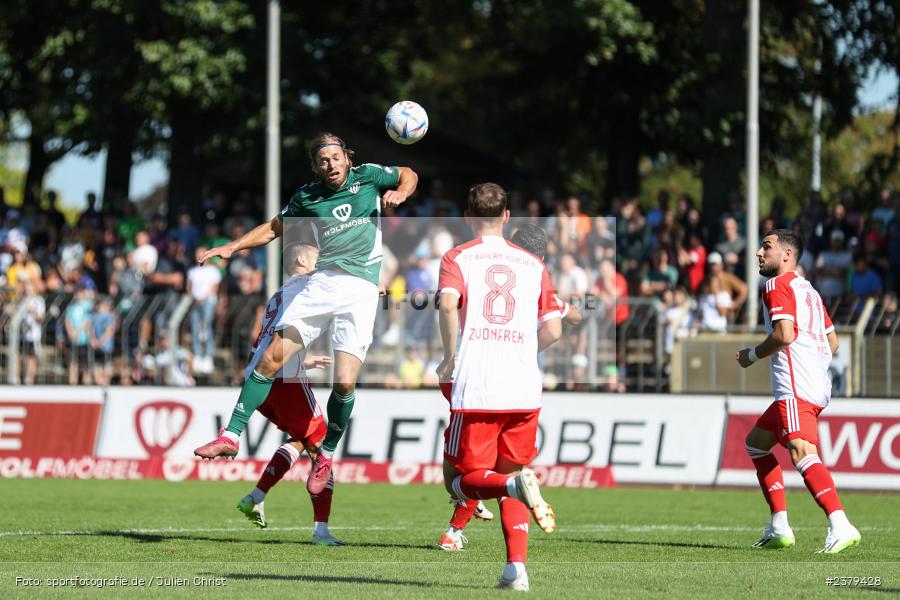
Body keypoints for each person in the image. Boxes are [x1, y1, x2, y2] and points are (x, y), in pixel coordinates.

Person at [193, 133, 418, 498]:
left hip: (360, 290)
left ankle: (326, 453)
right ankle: (230, 436)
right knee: (267, 361)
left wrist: (401, 192)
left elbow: (408, 172)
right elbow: (272, 228)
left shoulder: (370, 176)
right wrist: (232, 246)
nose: (331, 164)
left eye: (336, 157)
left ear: (347, 157)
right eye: (323, 160)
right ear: (317, 166)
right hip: (322, 284)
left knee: (344, 383)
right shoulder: (308, 197)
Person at [436, 183, 563, 591]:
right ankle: (516, 571)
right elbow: (554, 329)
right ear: (507, 216)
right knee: (514, 470)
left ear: (469, 217)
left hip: (478, 385)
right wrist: (526, 347)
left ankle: (511, 486)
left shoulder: (457, 257)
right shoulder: (533, 264)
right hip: (524, 386)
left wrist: (448, 356)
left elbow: (447, 304)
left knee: (460, 479)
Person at [736, 229, 860, 554]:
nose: (759, 253)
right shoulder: (810, 291)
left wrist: (751, 356)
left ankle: (840, 524)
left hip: (795, 386)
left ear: (787, 255)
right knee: (756, 445)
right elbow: (833, 342)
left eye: (767, 247)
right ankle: (779, 527)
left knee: (801, 452)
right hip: (816, 384)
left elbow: (784, 335)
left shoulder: (776, 285)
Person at [232, 242, 343, 545]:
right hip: (286, 383)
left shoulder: (282, 292)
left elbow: (274, 339)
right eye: (319, 258)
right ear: (302, 261)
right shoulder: (308, 286)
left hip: (264, 381)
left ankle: (256, 496)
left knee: (301, 438)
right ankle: (321, 531)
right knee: (321, 450)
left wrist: (302, 360)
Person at [186, 246, 222, 374]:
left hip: (207, 302)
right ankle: (197, 356)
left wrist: (203, 298)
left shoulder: (213, 271)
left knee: (206, 328)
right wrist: (194, 298)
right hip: (195, 302)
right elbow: (189, 287)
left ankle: (208, 356)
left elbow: (214, 287)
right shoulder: (192, 271)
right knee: (196, 329)